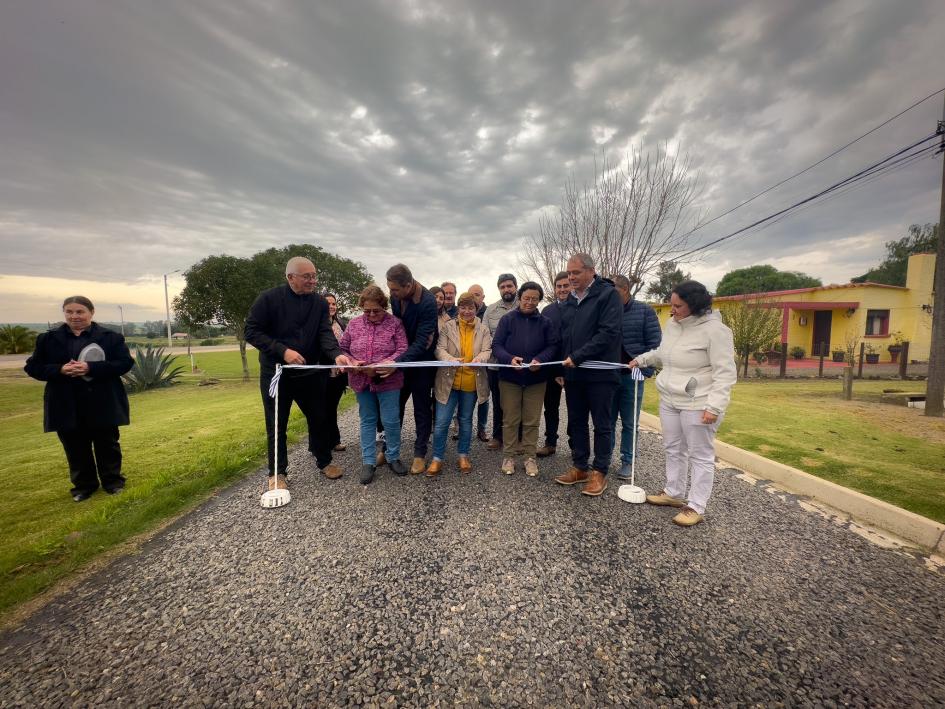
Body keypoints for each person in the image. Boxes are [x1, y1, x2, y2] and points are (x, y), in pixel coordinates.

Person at [629, 280, 737, 526]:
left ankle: (696, 505)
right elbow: (662, 353)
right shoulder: (673, 325)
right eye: (671, 304)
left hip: (698, 403)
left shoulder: (716, 331)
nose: (672, 309)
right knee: (673, 447)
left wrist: (714, 406)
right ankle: (674, 493)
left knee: (700, 455)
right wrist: (641, 359)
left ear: (695, 306)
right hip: (670, 398)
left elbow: (725, 373)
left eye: (678, 305)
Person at [245, 256, 352, 491]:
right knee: (277, 423)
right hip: (277, 373)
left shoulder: (320, 304)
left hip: (310, 373)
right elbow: (251, 332)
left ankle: (324, 461)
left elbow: (324, 333)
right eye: (307, 276)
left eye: (314, 276)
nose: (313, 281)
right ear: (290, 277)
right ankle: (277, 472)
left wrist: (336, 354)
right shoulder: (268, 299)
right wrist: (283, 351)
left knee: (319, 418)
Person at [25, 296, 134, 502]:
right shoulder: (48, 339)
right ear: (64, 313)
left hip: (102, 400)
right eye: (69, 312)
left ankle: (113, 482)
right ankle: (84, 486)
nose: (74, 316)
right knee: (75, 447)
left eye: (80, 312)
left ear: (91, 313)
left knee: (107, 444)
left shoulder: (110, 337)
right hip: (65, 402)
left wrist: (90, 368)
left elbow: (124, 363)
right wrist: (60, 369)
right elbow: (33, 367)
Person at [554, 253, 622, 497]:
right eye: (569, 273)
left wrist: (578, 356)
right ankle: (580, 466)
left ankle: (599, 472)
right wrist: (563, 368)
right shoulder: (570, 300)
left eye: (576, 273)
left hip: (600, 374)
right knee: (576, 422)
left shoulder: (607, 295)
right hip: (574, 375)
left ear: (591, 271)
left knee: (602, 425)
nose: (571, 277)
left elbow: (608, 333)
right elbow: (565, 337)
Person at [339, 285, 409, 484]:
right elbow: (343, 348)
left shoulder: (395, 324)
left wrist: (387, 364)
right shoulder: (353, 325)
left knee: (391, 420)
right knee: (367, 420)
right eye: (366, 311)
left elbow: (403, 349)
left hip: (389, 380)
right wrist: (352, 362)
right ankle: (368, 462)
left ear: (384, 307)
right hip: (361, 381)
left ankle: (392, 456)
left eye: (376, 311)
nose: (371, 314)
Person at [491, 282, 559, 477]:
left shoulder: (546, 322)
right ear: (520, 298)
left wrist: (541, 359)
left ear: (539, 300)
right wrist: (508, 358)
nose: (530, 302)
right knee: (510, 419)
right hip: (510, 378)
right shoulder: (507, 319)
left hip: (536, 379)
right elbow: (497, 345)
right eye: (526, 298)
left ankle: (529, 457)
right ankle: (509, 456)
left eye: (534, 299)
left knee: (531, 420)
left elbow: (552, 346)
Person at [427, 292, 492, 476]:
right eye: (463, 307)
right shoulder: (448, 327)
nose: (466, 311)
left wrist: (480, 358)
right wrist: (451, 359)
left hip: (471, 384)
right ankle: (437, 458)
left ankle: (463, 455)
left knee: (465, 421)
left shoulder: (483, 329)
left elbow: (487, 349)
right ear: (459, 309)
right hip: (448, 382)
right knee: (441, 423)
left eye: (470, 307)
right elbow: (439, 349)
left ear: (476, 309)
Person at [385, 263, 439, 474]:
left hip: (421, 361)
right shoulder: (395, 297)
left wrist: (398, 362)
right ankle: (390, 449)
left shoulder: (427, 302)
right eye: (390, 289)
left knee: (422, 408)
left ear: (408, 285)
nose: (392, 294)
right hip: (401, 359)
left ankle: (419, 453)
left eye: (395, 289)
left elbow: (423, 340)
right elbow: (396, 328)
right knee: (394, 407)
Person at [607, 275, 662, 479]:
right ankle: (604, 459)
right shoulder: (606, 312)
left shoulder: (644, 311)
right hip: (610, 375)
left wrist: (644, 366)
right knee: (607, 421)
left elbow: (655, 343)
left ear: (626, 289)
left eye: (615, 293)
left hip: (632, 376)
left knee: (630, 422)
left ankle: (628, 461)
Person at [536, 271, 571, 458]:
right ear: (555, 288)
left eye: (566, 285)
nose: (563, 289)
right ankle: (550, 442)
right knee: (550, 407)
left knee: (575, 409)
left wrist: (565, 370)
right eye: (559, 286)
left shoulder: (579, 308)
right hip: (550, 368)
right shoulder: (547, 311)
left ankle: (576, 446)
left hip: (573, 367)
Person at [482, 273, 518, 450]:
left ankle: (517, 438)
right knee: (498, 402)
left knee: (518, 403)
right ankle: (498, 436)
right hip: (496, 364)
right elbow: (485, 334)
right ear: (499, 289)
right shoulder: (491, 309)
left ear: (515, 287)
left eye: (509, 286)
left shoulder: (525, 304)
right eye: (503, 287)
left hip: (519, 366)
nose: (506, 290)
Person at [310, 292, 348, 457]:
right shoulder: (315, 324)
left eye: (333, 303)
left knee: (332, 408)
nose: (331, 306)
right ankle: (316, 445)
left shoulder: (340, 323)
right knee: (318, 410)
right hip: (321, 373)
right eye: (327, 303)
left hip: (338, 375)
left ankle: (334, 440)